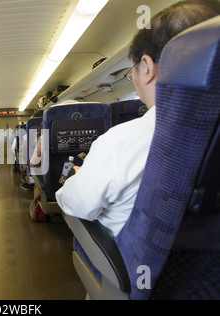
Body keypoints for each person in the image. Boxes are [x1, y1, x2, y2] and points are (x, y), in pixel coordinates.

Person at [55, 0, 220, 237]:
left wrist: (78, 179)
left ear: (147, 67)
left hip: (134, 265)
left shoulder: (121, 142)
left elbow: (75, 204)